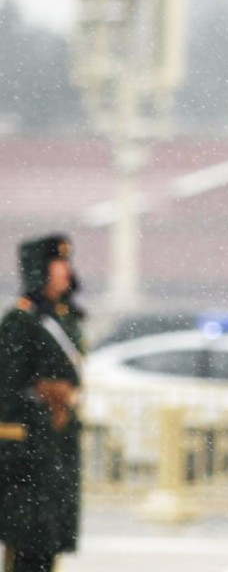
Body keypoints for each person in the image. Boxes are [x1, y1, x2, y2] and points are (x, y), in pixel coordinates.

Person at [0, 234, 86, 572]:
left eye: (66, 263)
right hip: (28, 454)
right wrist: (41, 408)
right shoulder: (20, 322)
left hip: (56, 448)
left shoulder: (63, 318)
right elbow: (6, 390)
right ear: (39, 269)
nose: (65, 271)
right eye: (57, 263)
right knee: (27, 545)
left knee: (48, 543)